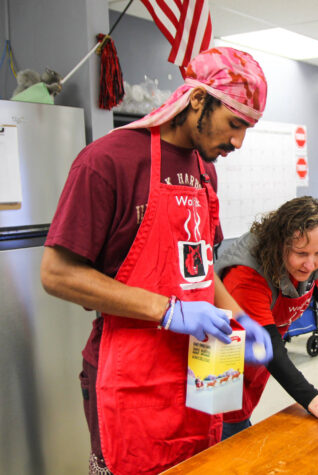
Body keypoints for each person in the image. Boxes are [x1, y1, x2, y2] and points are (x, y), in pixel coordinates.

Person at [40, 47, 274, 475]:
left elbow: (201, 265)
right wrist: (167, 310)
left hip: (202, 370)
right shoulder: (109, 161)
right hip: (131, 378)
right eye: (235, 123)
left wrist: (240, 317)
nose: (238, 142)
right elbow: (57, 274)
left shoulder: (206, 170)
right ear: (198, 100)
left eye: (247, 129)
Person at [215, 196, 318, 439]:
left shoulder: (313, 260)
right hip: (221, 367)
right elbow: (271, 348)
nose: (310, 265)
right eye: (301, 253)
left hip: (257, 364)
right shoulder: (247, 277)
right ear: (279, 245)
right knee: (226, 438)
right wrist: (317, 402)